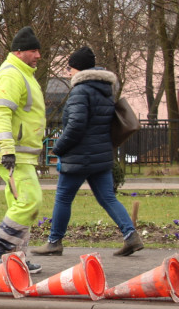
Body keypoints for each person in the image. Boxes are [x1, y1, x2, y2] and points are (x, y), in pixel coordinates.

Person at [31, 46, 144, 257]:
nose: (68, 72)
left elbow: (75, 126)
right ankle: (131, 236)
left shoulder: (80, 91)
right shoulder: (105, 90)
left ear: (78, 70)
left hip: (79, 157)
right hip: (100, 156)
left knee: (63, 197)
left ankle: (54, 241)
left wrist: (58, 148)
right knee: (108, 198)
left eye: (69, 68)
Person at [0, 26, 45, 273]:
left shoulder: (24, 74)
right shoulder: (11, 75)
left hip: (21, 154)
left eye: (38, 50)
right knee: (30, 201)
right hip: (13, 155)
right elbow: (1, 114)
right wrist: (7, 150)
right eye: (33, 50)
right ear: (19, 52)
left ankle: (15, 258)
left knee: (20, 206)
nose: (38, 55)